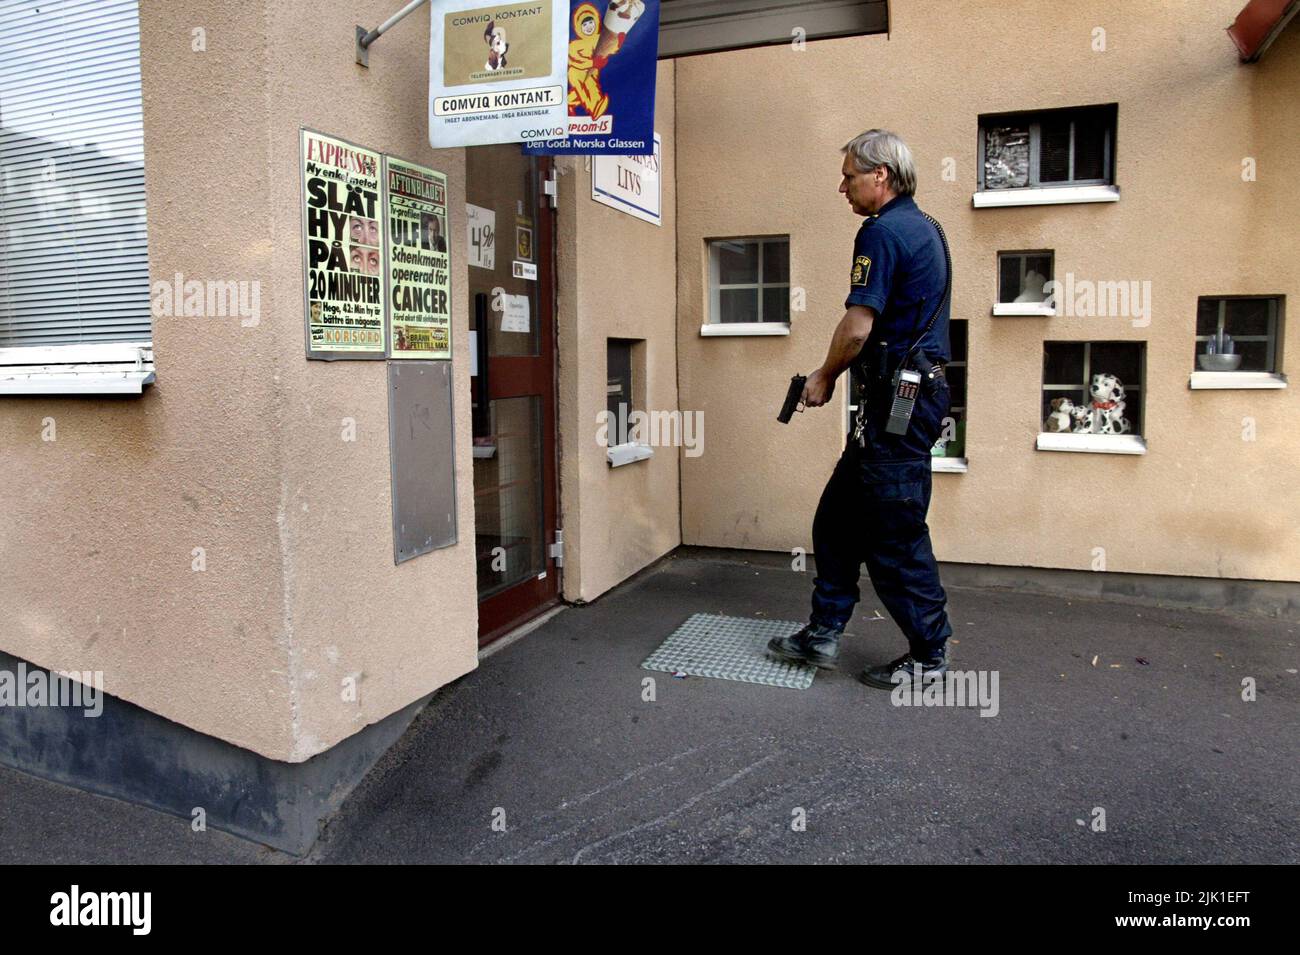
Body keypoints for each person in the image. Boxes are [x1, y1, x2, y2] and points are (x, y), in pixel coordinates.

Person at [766, 129, 955, 690]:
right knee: (838, 519)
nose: (842, 186)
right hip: (900, 401)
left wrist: (825, 375)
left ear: (880, 175)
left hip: (901, 404)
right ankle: (824, 631)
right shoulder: (925, 227)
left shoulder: (881, 233)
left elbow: (858, 325)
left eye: (849, 176)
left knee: (894, 535)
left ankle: (929, 655)